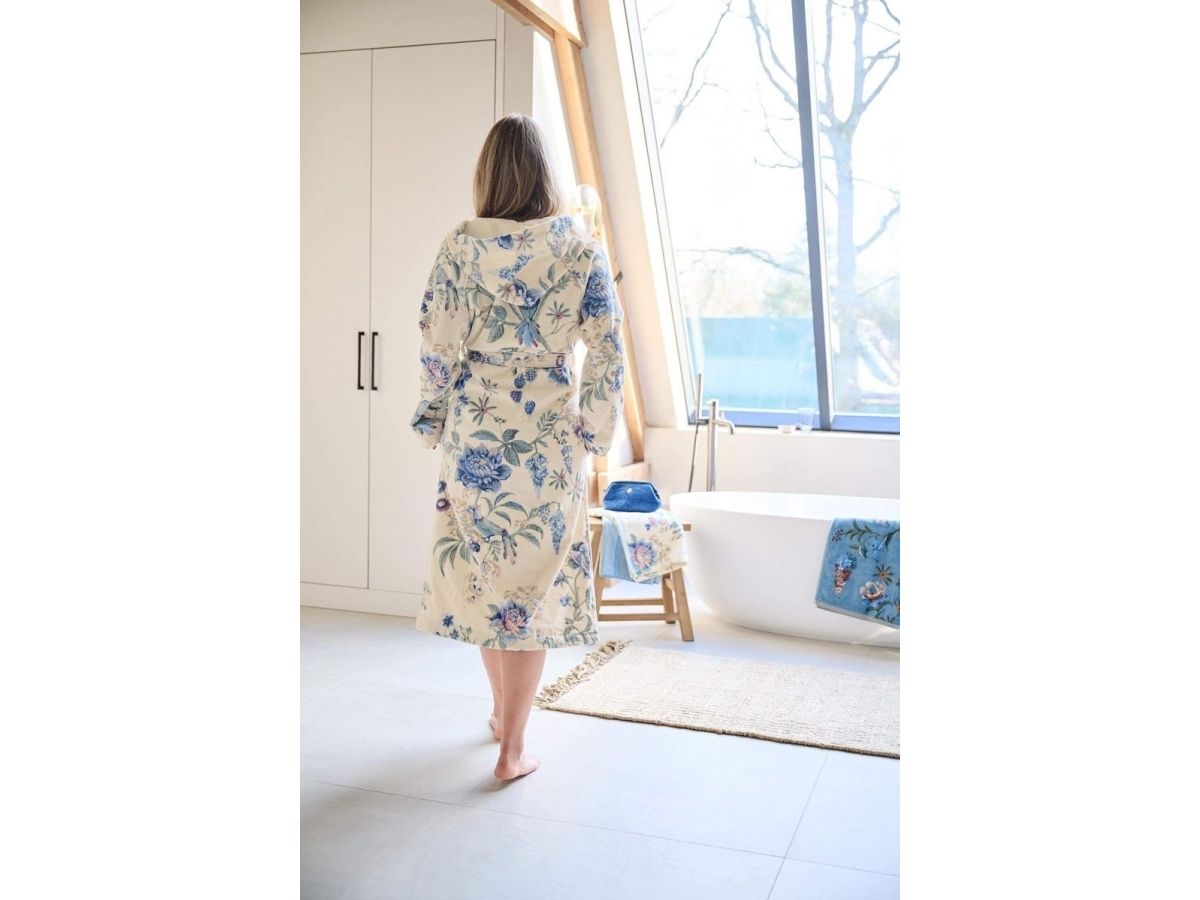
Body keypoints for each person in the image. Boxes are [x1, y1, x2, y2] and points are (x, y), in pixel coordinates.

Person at [410, 114, 625, 780]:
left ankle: (505, 721)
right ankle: (512, 744)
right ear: (546, 175)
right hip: (549, 445)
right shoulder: (580, 248)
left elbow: (437, 344)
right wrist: (594, 431)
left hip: (475, 438)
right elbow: (608, 351)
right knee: (531, 589)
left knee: (489, 582)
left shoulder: (460, 247)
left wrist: (432, 417)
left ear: (488, 174)